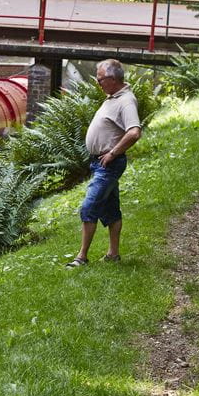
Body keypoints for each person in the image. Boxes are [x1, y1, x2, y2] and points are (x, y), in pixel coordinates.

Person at [67, 59, 142, 268]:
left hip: (109, 164)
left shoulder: (126, 100)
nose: (98, 83)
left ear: (112, 78)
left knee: (89, 207)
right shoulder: (112, 97)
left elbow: (134, 132)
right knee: (111, 210)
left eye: (100, 79)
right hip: (101, 163)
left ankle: (81, 257)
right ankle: (113, 254)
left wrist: (113, 153)